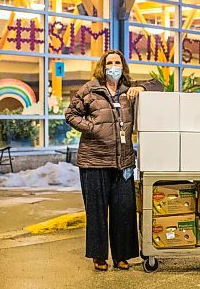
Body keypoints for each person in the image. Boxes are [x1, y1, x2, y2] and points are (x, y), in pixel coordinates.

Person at [65, 50, 163, 271]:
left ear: (123, 66)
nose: (114, 66)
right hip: (94, 161)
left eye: (117, 62)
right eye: (109, 62)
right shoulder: (90, 89)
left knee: (124, 210)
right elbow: (70, 113)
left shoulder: (128, 89)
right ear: (103, 66)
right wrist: (92, 128)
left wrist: (143, 88)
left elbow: (159, 85)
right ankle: (99, 256)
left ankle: (122, 256)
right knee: (97, 211)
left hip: (123, 162)